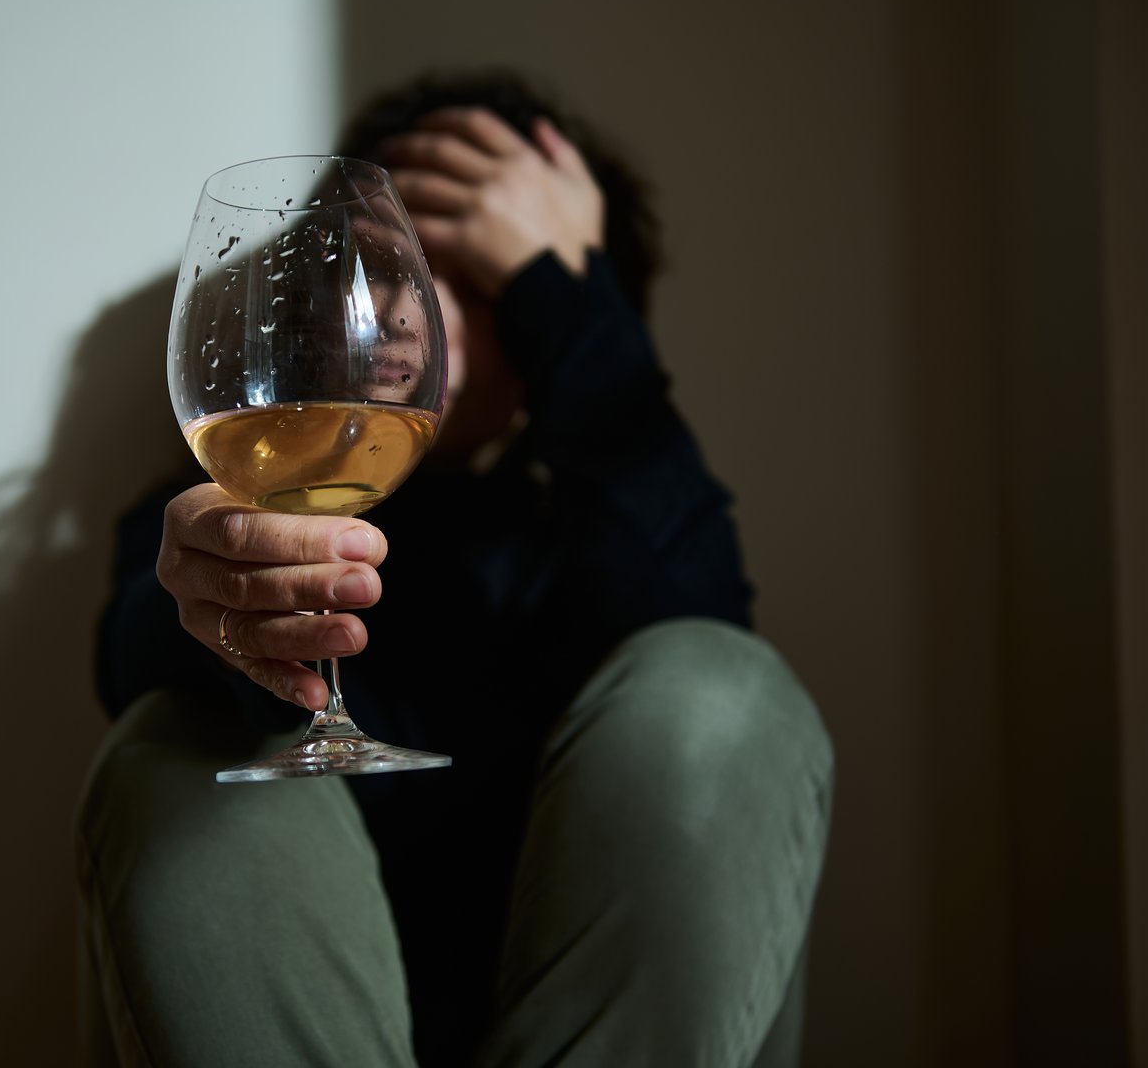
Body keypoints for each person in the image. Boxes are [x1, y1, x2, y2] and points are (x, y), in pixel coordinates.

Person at [75, 73, 834, 1067]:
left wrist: (569, 290)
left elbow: (701, 650)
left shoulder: (597, 518)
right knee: (176, 743)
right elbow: (133, 658)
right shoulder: (243, 496)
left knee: (717, 684)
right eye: (377, 265)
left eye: (482, 275)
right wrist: (202, 607)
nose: (400, 309)